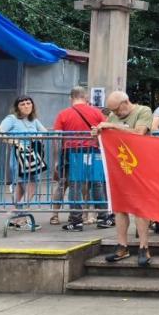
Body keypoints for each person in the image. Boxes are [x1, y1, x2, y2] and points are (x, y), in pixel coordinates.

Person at [95, 91, 154, 265]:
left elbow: (139, 132)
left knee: (140, 207)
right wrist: (99, 133)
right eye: (112, 110)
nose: (115, 113)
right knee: (120, 207)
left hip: (141, 165)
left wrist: (112, 127)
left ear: (125, 102)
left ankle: (144, 247)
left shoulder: (143, 111)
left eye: (116, 109)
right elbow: (109, 135)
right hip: (120, 166)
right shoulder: (113, 116)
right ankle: (122, 246)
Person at [52, 87, 108, 231]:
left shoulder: (63, 114)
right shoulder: (97, 112)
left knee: (75, 184)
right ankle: (104, 217)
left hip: (72, 152)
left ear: (71, 98)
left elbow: (57, 138)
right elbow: (106, 130)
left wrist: (57, 160)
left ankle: (76, 220)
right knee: (97, 183)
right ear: (86, 97)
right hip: (94, 152)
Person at [0, 95, 47, 231]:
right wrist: (16, 142)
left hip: (32, 156)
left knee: (21, 186)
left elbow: (46, 133)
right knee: (28, 185)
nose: (26, 106)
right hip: (18, 156)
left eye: (28, 103)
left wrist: (37, 137)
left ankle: (15, 216)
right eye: (23, 104)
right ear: (17, 107)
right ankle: (22, 218)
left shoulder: (34, 120)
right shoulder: (11, 119)